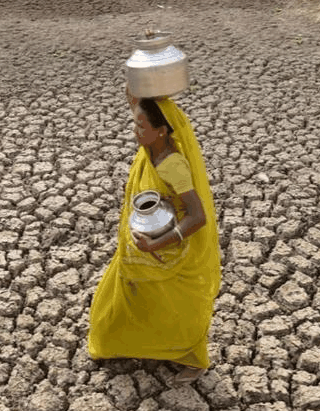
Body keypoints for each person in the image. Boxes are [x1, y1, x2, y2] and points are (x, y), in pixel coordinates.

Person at [87, 90, 221, 386]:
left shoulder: (172, 165)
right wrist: (146, 68)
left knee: (171, 304)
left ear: (161, 131)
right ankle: (117, 343)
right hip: (141, 246)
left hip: (166, 248)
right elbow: (133, 96)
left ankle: (191, 358)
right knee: (131, 298)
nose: (135, 133)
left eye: (141, 128)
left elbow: (198, 217)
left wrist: (156, 244)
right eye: (134, 125)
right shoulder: (151, 148)